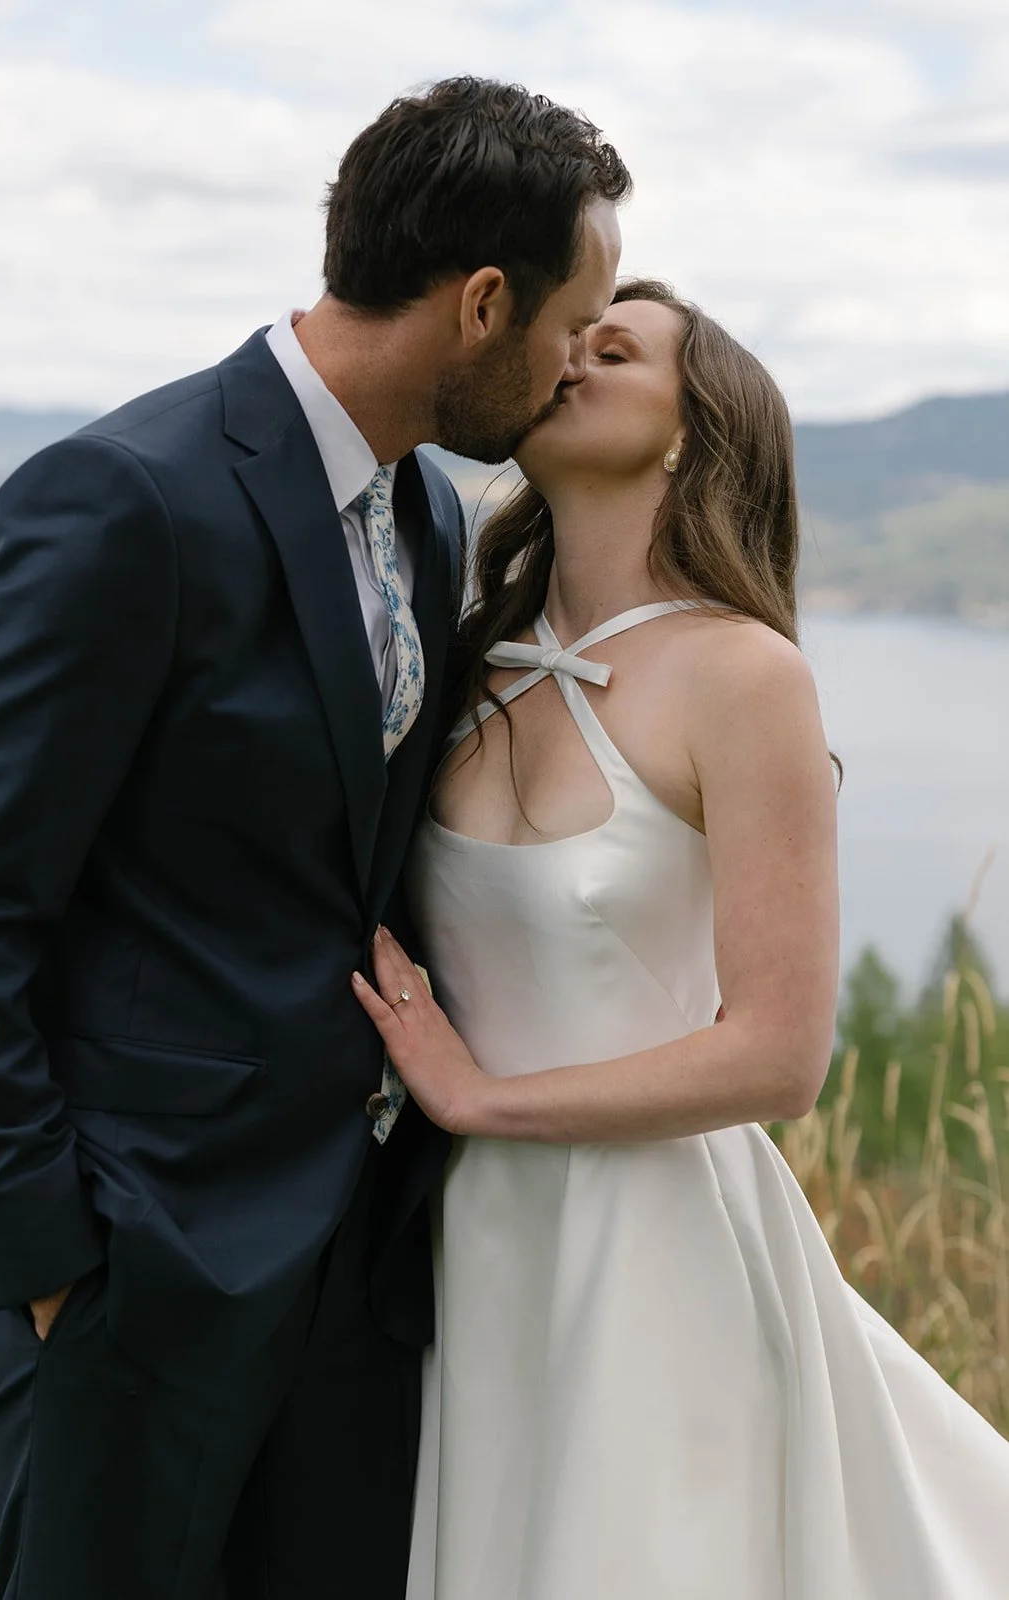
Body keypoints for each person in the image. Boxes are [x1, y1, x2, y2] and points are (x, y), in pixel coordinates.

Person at [0, 79, 629, 1600]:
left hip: (354, 1278)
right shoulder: (127, 500)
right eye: (573, 322)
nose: (578, 361)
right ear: (481, 302)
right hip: (134, 1274)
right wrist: (45, 1256)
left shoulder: (433, 515)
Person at [353, 279, 1009, 1599]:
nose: (570, 357)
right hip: (457, 1240)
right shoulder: (459, 649)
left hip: (653, 1239)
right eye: (567, 339)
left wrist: (484, 1096)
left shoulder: (745, 675)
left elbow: (777, 1058)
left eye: (615, 349)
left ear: (690, 432)